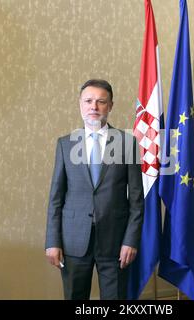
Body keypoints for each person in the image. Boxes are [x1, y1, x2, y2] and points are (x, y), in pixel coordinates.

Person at [45, 79, 144, 300]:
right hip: (73, 240)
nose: (94, 107)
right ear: (80, 104)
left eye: (101, 101)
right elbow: (56, 198)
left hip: (115, 241)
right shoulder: (66, 143)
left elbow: (137, 200)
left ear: (110, 106)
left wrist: (131, 240)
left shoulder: (127, 143)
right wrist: (52, 241)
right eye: (88, 101)